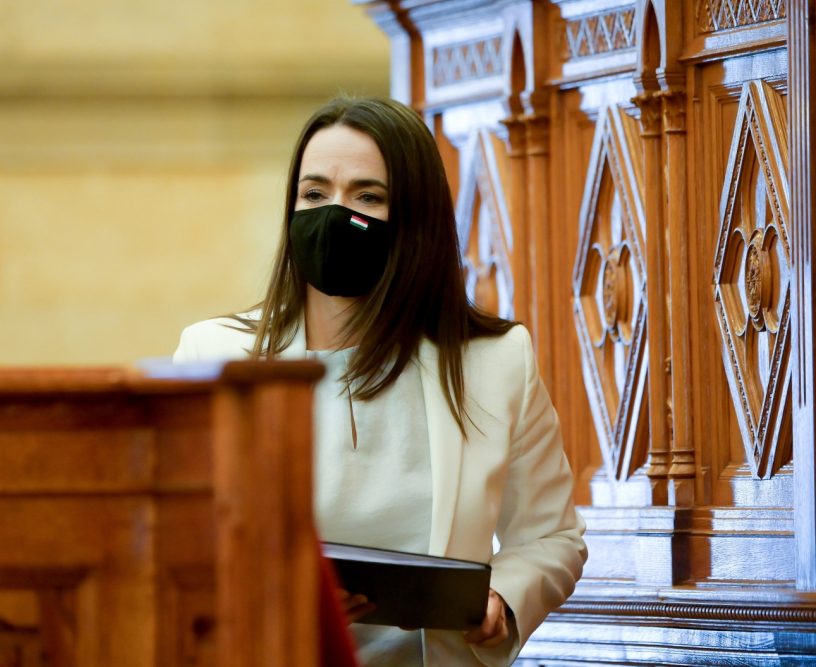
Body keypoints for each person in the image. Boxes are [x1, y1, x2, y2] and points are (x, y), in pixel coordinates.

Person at [173, 96, 586, 666]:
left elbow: (552, 536)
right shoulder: (214, 357)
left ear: (415, 218)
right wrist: (279, 595)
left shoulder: (495, 361)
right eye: (314, 194)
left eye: (367, 196)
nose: (334, 215)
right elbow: (175, 543)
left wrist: (503, 600)